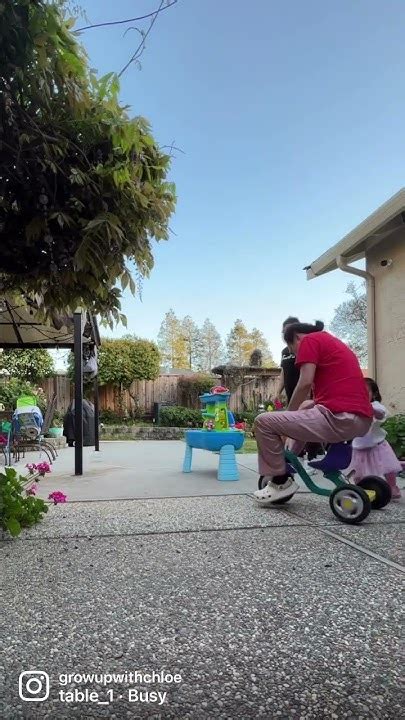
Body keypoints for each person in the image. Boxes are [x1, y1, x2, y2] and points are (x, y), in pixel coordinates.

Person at [254, 320, 373, 504]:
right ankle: (292, 456)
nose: (296, 356)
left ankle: (280, 481)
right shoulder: (335, 344)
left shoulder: (309, 341)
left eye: (293, 351)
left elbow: (305, 382)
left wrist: (289, 415)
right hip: (361, 419)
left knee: (263, 421)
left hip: (337, 417)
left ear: (297, 338)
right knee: (307, 406)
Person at [276, 316, 323, 467]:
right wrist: (278, 391)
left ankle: (313, 457)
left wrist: (309, 392)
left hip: (306, 392)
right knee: (296, 425)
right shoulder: (285, 351)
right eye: (283, 332)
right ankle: (297, 457)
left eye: (287, 332)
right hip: (293, 394)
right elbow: (284, 372)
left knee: (309, 423)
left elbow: (308, 376)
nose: (285, 336)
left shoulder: (308, 345)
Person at [347, 378, 402, 500]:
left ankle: (393, 487)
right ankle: (361, 490)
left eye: (365, 393)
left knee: (388, 468)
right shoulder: (353, 408)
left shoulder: (375, 406)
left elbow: (382, 414)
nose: (361, 396)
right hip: (359, 447)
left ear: (374, 394)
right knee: (358, 473)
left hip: (377, 444)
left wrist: (369, 409)